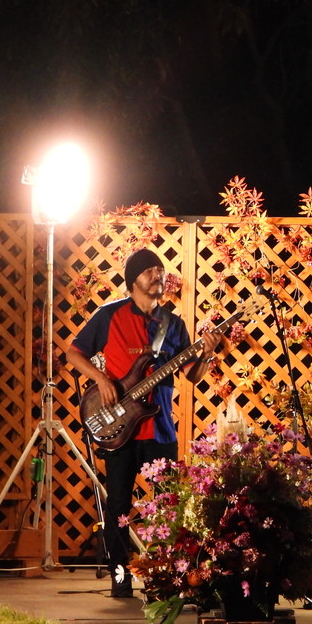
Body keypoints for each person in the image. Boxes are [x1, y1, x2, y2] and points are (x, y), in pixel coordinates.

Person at [67, 249, 224, 598]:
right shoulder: (109, 315)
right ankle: (120, 576)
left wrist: (208, 352)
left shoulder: (174, 324)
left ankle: (163, 580)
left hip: (160, 429)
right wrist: (101, 380)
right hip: (120, 428)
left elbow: (193, 375)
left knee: (168, 506)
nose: (158, 275)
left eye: (160, 269)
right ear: (133, 278)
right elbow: (73, 352)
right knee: (118, 505)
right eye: (150, 270)